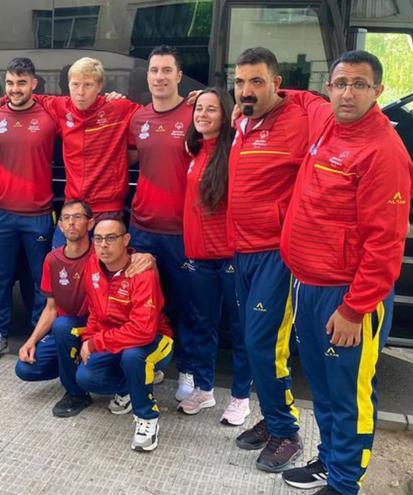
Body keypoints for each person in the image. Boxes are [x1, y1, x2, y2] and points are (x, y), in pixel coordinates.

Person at [278, 50, 413, 495]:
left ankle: (343, 485)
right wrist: (265, 88)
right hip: (308, 284)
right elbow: (299, 98)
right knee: (321, 388)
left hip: (348, 297)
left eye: (359, 84)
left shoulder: (382, 151)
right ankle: (330, 462)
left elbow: (386, 244)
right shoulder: (328, 124)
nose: (348, 92)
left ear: (378, 91)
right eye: (340, 83)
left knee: (349, 397)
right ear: (329, 88)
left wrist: (355, 309)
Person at [228, 47, 307, 472]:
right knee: (253, 342)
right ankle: (274, 416)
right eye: (240, 82)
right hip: (243, 250)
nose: (246, 90)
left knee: (265, 344)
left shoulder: (300, 119)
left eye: (256, 81)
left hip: (277, 255)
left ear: (277, 83)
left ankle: (286, 433)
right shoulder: (242, 120)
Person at [15, 200, 157, 417]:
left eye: (78, 217)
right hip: (76, 329)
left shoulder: (102, 253)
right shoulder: (52, 259)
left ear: (90, 223)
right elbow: (51, 308)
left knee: (64, 329)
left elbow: (130, 260)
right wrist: (31, 341)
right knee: (25, 368)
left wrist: (150, 259)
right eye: (66, 218)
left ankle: (77, 392)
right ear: (59, 225)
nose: (71, 223)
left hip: (98, 327)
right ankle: (75, 370)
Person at [0, 57, 140, 247]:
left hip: (108, 209)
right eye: (75, 84)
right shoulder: (60, 106)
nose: (80, 92)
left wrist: (116, 163)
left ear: (99, 86)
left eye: (87, 85)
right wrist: (0, 100)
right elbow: (28, 96)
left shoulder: (120, 108)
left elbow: (151, 123)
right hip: (73, 207)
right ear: (69, 85)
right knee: (60, 265)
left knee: (105, 271)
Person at [127, 44, 197, 402]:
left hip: (182, 231)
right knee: (145, 304)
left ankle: (187, 370)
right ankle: (150, 364)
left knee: (185, 305)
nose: (159, 77)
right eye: (154, 70)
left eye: (167, 70)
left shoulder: (196, 113)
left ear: (179, 76)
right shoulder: (137, 118)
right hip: (142, 227)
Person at [179, 87, 253, 426]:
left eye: (211, 109)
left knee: (239, 329)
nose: (202, 114)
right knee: (202, 325)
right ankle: (204, 389)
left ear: (226, 114)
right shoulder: (194, 150)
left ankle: (240, 397)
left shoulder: (235, 147)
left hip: (229, 256)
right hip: (198, 256)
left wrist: (240, 116)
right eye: (198, 109)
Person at [0, 57, 58, 363]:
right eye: (10, 83)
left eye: (22, 82)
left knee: (42, 281)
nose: (15, 89)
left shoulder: (50, 114)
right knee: (0, 278)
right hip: (1, 211)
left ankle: (38, 337)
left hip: (38, 213)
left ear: (34, 84)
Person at [75, 218, 174, 452]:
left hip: (156, 341)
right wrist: (89, 338)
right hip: (116, 340)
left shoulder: (141, 271)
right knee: (86, 377)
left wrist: (97, 342)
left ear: (126, 240)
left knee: (133, 357)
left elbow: (143, 331)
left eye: (111, 238)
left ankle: (147, 418)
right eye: (98, 239)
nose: (103, 245)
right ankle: (131, 387)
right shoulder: (93, 266)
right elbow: (94, 311)